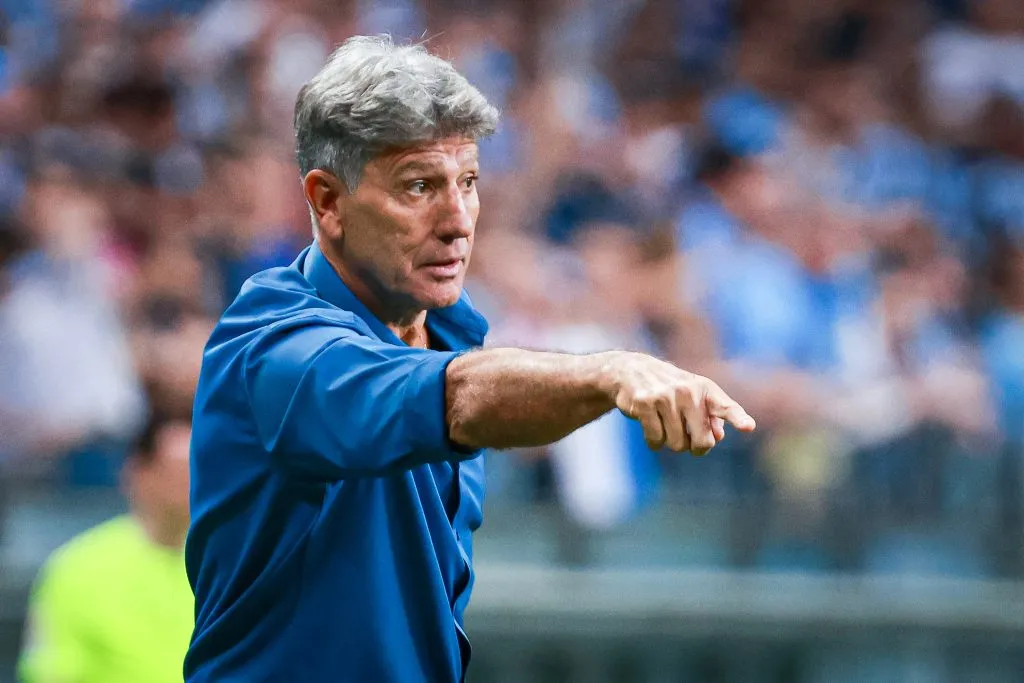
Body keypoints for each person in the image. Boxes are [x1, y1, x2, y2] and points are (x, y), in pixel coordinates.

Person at [185, 35, 756, 683]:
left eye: (470, 182)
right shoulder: (270, 343)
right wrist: (608, 371)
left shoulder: (455, 330)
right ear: (327, 202)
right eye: (419, 185)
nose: (458, 220)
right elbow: (454, 396)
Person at [18, 412, 194, 683]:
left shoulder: (231, 563)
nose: (191, 483)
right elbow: (52, 672)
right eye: (180, 471)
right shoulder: (77, 568)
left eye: (200, 469)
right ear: (138, 473)